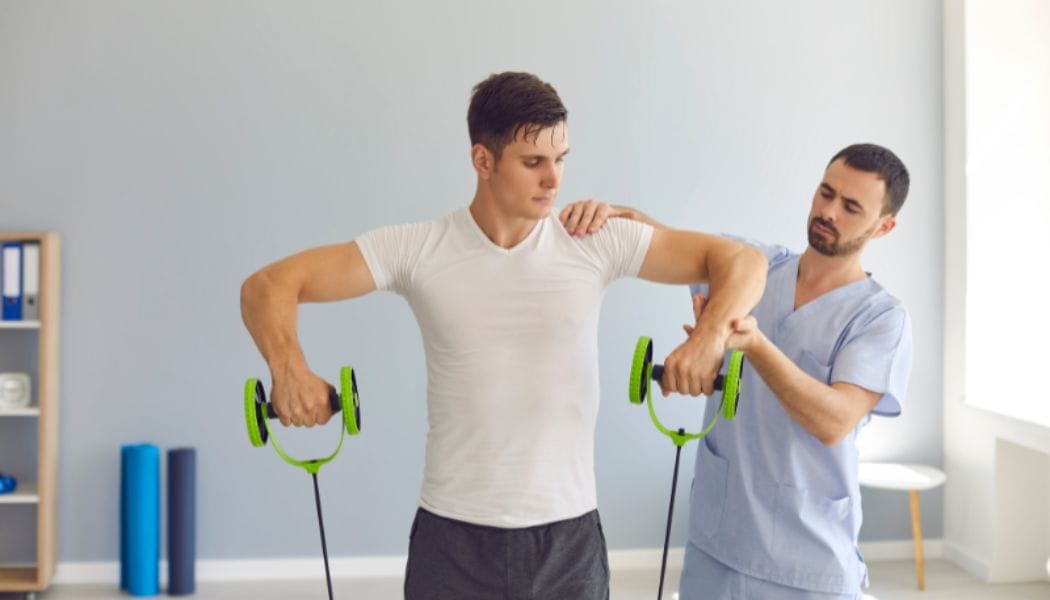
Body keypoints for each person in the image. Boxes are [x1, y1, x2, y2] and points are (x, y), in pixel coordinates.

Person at [240, 71, 767, 600]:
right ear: (482, 161)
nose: (553, 180)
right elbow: (268, 286)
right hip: (452, 538)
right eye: (533, 162)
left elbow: (742, 261)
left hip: (568, 539)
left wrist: (708, 339)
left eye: (560, 159)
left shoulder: (594, 239)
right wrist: (289, 370)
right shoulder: (418, 248)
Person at [560, 143, 913, 599]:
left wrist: (753, 344)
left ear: (884, 226)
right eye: (825, 193)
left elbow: (835, 421)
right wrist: (604, 213)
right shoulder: (755, 266)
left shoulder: (880, 318)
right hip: (718, 546)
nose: (828, 211)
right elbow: (654, 237)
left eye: (850, 207)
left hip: (809, 562)